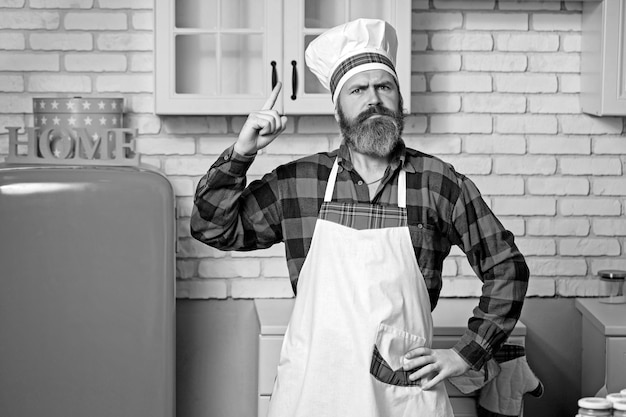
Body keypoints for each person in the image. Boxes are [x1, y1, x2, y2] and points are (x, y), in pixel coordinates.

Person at [191, 18, 529, 417]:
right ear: (338, 110)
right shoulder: (300, 182)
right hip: (312, 392)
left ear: (398, 99)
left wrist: (466, 354)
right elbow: (212, 226)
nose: (374, 100)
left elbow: (506, 266)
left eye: (384, 86)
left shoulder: (438, 183)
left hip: (402, 397)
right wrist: (243, 152)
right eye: (358, 90)